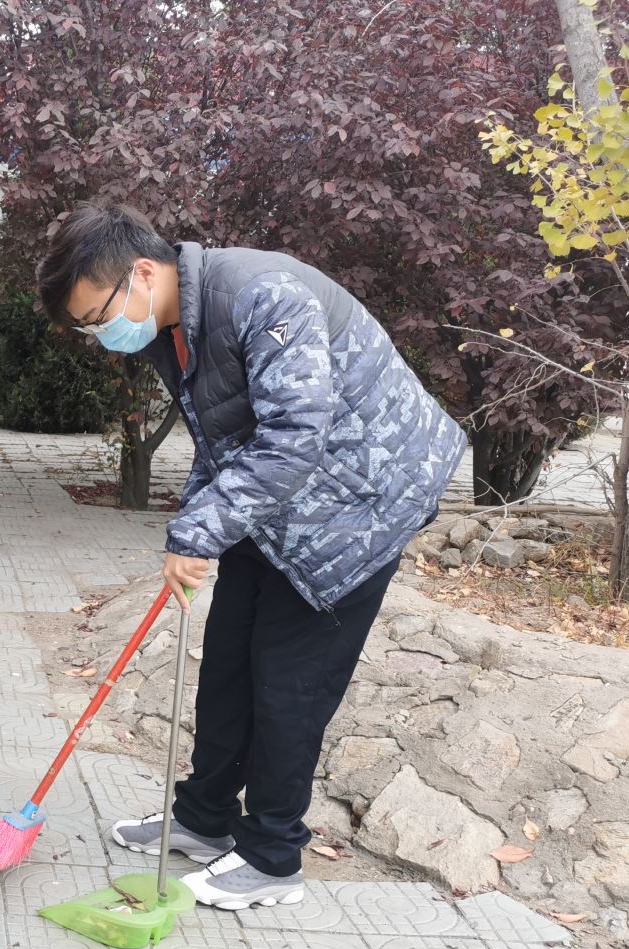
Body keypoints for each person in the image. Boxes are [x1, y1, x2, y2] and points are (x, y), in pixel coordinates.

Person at [36, 205, 466, 910]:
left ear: (143, 273)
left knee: (288, 682)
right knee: (230, 657)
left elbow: (295, 434)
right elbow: (223, 438)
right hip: (284, 504)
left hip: (362, 504)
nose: (98, 335)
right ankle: (204, 820)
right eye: (86, 327)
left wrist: (199, 532)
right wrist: (195, 527)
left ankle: (271, 857)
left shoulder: (265, 296)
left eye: (97, 315)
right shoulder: (172, 326)